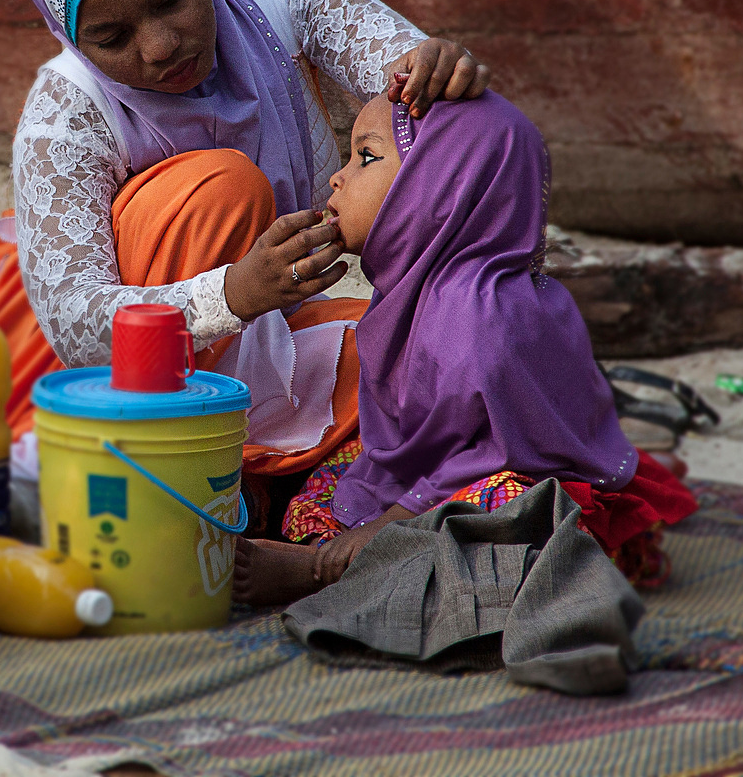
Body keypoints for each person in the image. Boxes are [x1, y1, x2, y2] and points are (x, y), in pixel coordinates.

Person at [0, 0, 488, 503]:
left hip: (258, 330)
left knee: (437, 366)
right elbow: (75, 326)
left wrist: (440, 77)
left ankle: (244, 466)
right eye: (111, 36)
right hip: (84, 366)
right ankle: (201, 460)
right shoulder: (65, 113)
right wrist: (232, 294)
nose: (159, 46)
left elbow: (428, 108)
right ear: (68, 38)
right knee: (222, 190)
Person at [234, 89, 698, 604]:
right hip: (435, 480)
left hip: (517, 484)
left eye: (366, 157)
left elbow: (498, 454)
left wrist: (391, 521)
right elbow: (419, 438)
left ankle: (325, 573)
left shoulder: (479, 310)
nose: (338, 178)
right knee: (330, 484)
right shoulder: (411, 293)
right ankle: (350, 561)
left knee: (507, 518)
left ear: (438, 190)